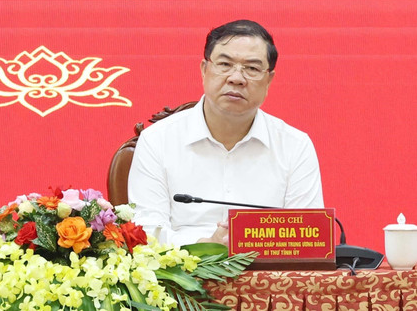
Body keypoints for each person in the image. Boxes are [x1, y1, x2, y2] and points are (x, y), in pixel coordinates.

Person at [128, 19, 323, 247]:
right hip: (180, 275)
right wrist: (206, 244)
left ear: (269, 79)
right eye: (225, 64)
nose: (236, 78)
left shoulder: (295, 146)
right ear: (204, 69)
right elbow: (146, 233)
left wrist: (246, 242)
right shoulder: (158, 140)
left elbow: (307, 238)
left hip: (267, 277)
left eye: (251, 68)